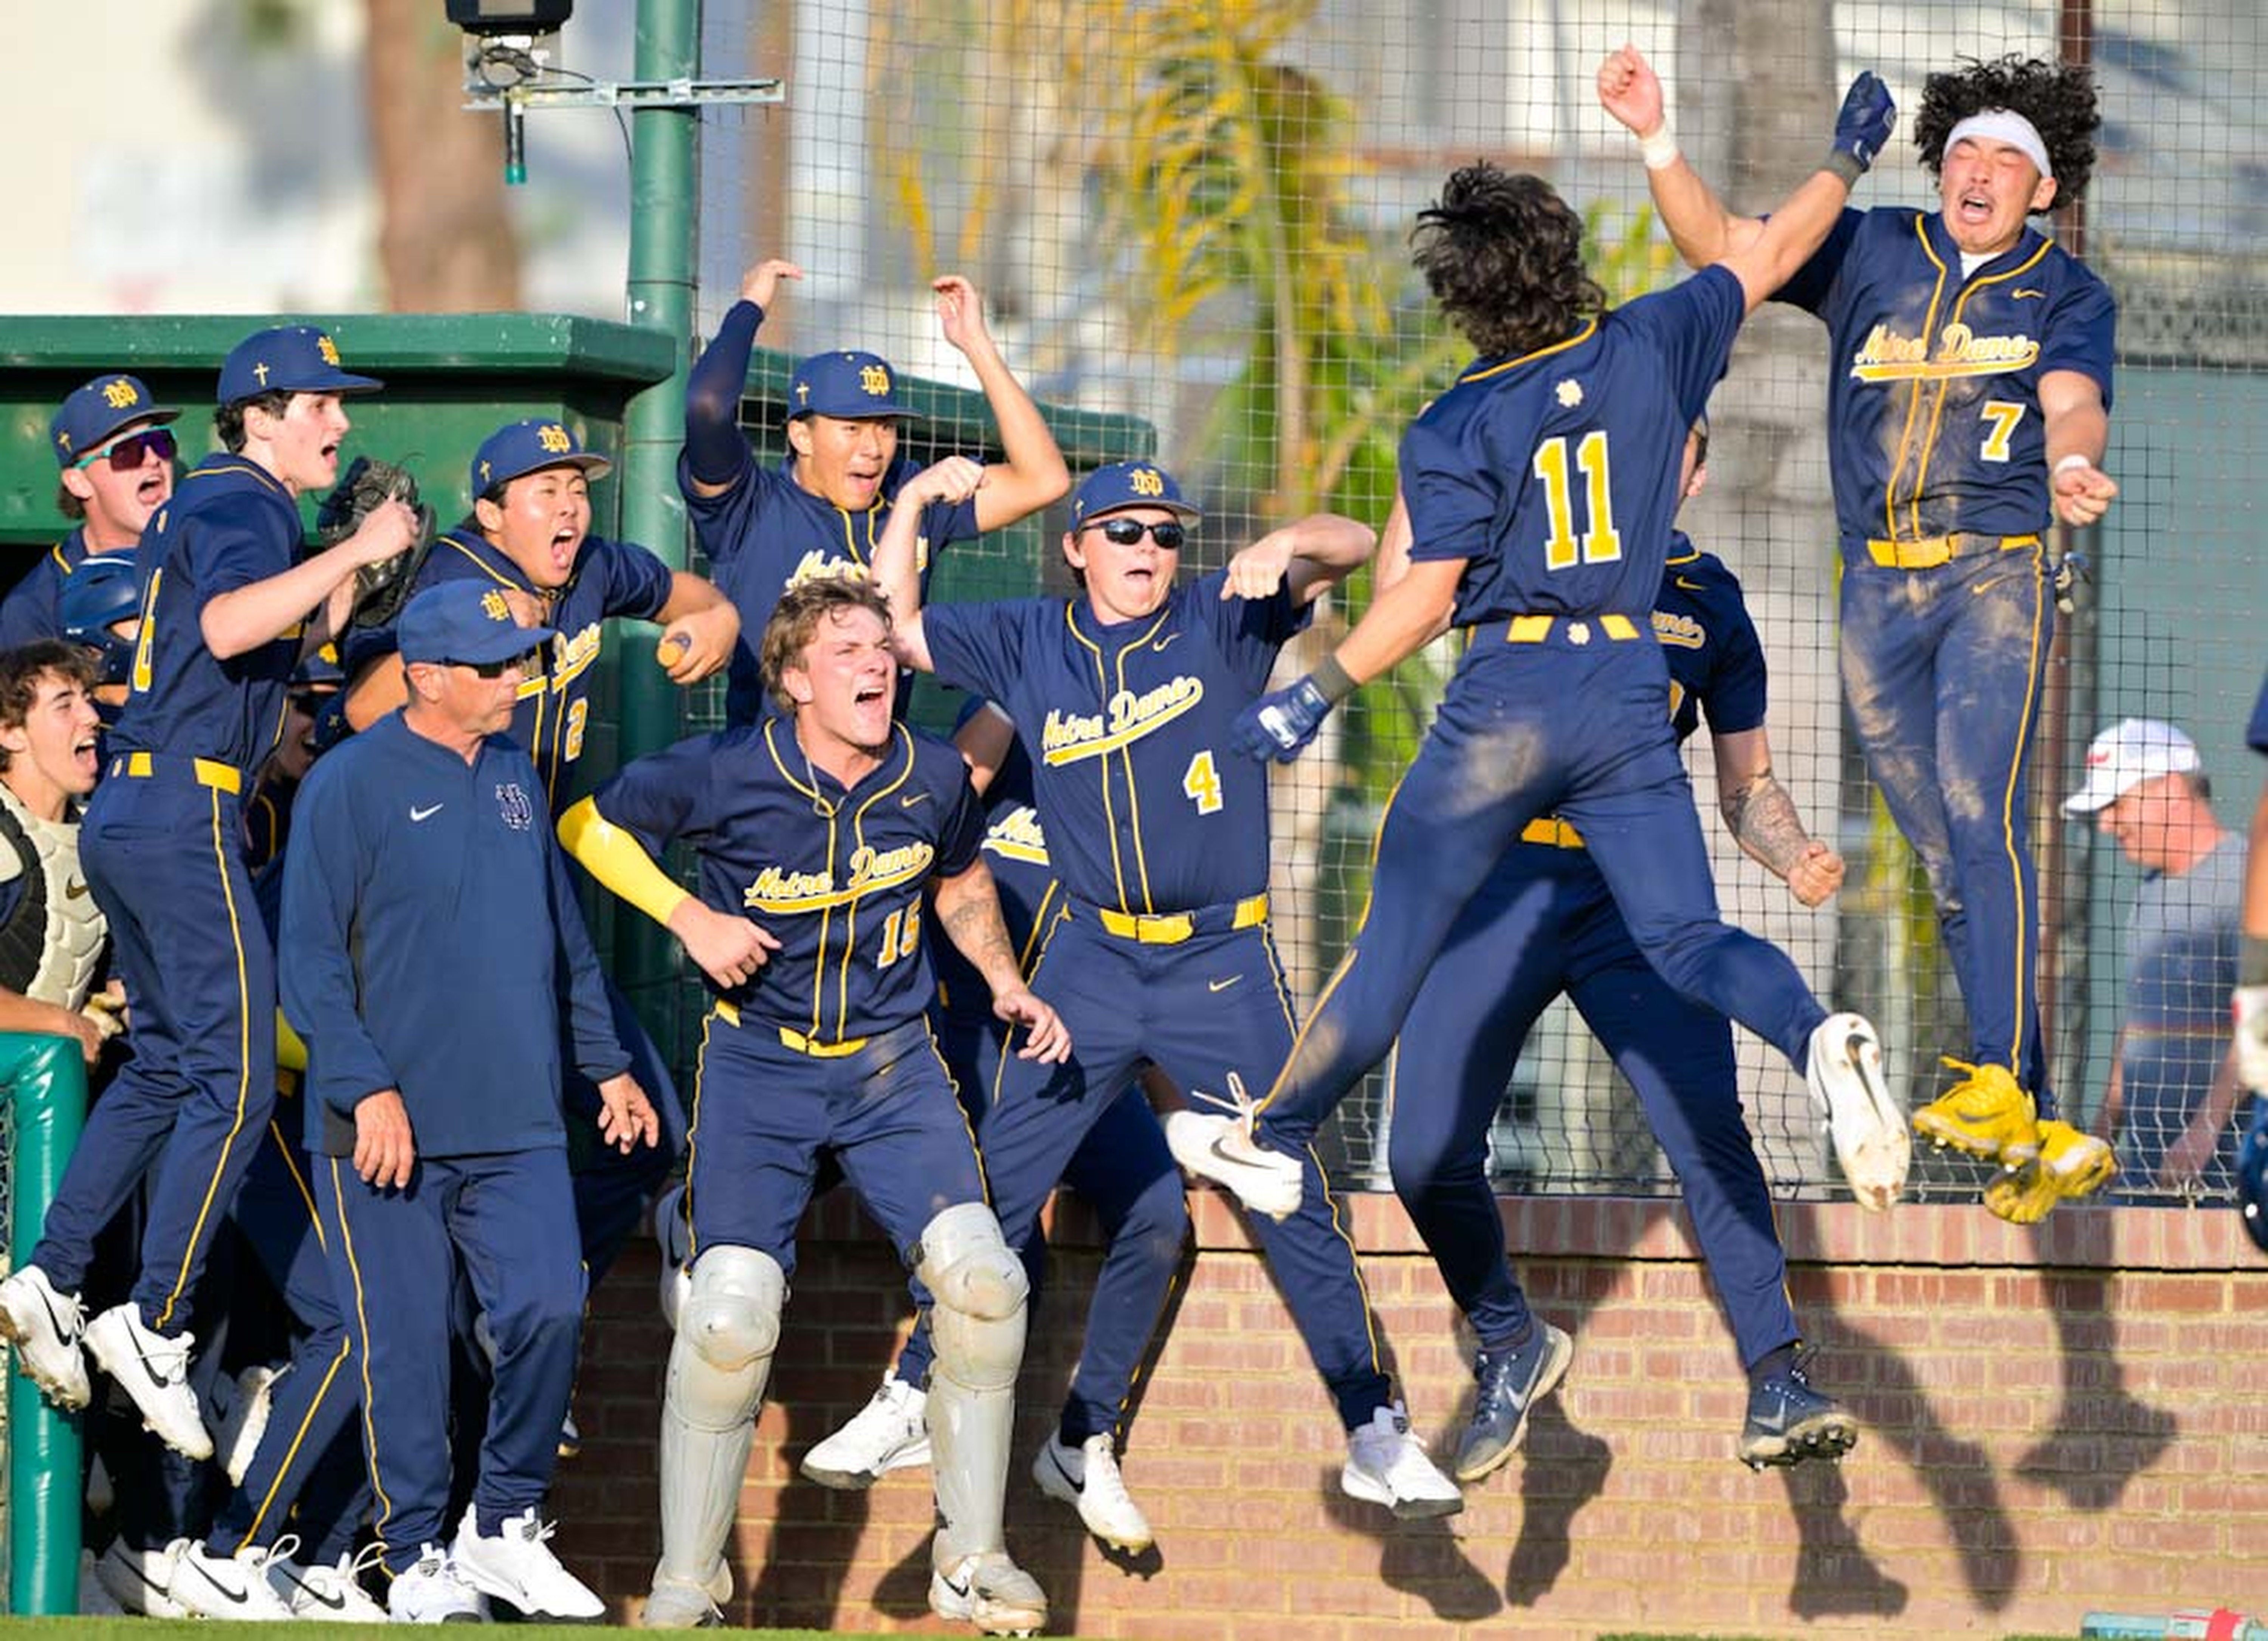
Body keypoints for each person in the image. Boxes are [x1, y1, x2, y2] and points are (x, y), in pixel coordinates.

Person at [1175, 98, 1907, 1243]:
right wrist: (1845, 154)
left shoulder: (1454, 419)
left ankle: (1269, 1140)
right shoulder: (1652, 339)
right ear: (1562, 260)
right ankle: (1815, 1034)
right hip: (1623, 686)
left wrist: (1311, 694)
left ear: (1462, 299)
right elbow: (1765, 249)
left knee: (1395, 941)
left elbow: (1420, 595)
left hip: (1508, 697)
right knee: (1683, 938)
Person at [871, 457, 1466, 1522]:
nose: (1150, 550)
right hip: (1092, 963)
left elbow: (1360, 543)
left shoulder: (1221, 615)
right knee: (1001, 1177)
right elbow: (898, 629)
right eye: (1127, 532)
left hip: (1219, 965)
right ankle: (914, 1385)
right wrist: (914, 505)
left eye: (1164, 532)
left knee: (1287, 1190)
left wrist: (1290, 544)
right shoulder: (1027, 638)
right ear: (1078, 546)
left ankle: (1373, 1424)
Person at [1599, 45, 2120, 1222]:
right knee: (1943, 852)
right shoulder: (1874, 245)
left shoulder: (2064, 290)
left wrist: (2076, 460)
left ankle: (1997, 1079)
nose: (1977, 171)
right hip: (1874, 594)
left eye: (2008, 159)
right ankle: (2025, 1118)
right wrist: (1653, 140)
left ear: (2043, 189)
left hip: (1993, 575)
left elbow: (2068, 396)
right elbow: (1726, 251)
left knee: (1977, 812)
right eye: (1965, 150)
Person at [558, 577, 1066, 1634]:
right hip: (761, 1066)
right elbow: (587, 824)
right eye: (844, 651)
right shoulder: (727, 770)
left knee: (985, 1284)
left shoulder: (930, 771)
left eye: (882, 645)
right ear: (793, 680)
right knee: (732, 1317)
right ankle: (690, 1581)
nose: (875, 664)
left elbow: (961, 878)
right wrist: (689, 913)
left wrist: (1005, 977)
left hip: (895, 1066)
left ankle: (970, 1558)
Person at [1377, 420, 1862, 1480]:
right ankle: (1508, 1338)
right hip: (1495, 887)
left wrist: (1792, 854)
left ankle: (1778, 1375)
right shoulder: (1518, 547)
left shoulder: (1711, 600)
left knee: (1708, 1129)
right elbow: (1399, 593)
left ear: (1693, 466)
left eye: (1672, 452)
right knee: (1422, 1153)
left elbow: (1746, 785)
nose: (1653, 467)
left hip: (1629, 898)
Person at [0, 325, 419, 1464]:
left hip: (140, 809)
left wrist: (345, 583)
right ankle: (158, 1318)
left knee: (174, 1066)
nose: (339, 422)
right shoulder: (240, 496)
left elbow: (236, 647)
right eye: (323, 404)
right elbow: (235, 622)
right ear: (266, 410)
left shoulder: (216, 506)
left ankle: (52, 1273)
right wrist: (357, 549)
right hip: (186, 809)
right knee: (233, 1082)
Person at [282, 581, 657, 1622]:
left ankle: (503, 1522)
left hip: (519, 1122)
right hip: (386, 1134)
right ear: (427, 675)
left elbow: (562, 941)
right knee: (401, 1347)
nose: (515, 680)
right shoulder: (347, 784)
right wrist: (367, 1090)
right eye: (493, 665)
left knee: (549, 1303)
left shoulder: (515, 781)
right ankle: (411, 1555)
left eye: (520, 659)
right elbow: (307, 962)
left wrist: (609, 1064)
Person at [801, 702, 1189, 1556]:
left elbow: (1162, 973)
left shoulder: (1142, 811)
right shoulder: (982, 771)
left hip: (1078, 1057)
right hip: (964, 1047)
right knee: (1008, 1257)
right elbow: (946, 797)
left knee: (1161, 1212)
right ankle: (923, 1431)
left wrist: (1183, 1121)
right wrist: (1021, 695)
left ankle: (1083, 1441)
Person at [679, 260, 1069, 725]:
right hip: (771, 772)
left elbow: (1045, 480)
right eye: (851, 428)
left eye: (885, 427)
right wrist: (750, 308)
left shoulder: (912, 493)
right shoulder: (750, 505)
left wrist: (976, 345)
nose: (873, 448)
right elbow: (707, 405)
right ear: (802, 437)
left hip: (879, 769)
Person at [2061, 720, 2248, 1198]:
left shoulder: (2245, 882)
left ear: (2169, 790)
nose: (2105, 824)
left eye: (2116, 804)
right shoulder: (2151, 889)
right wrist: (2104, 1130)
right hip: (2149, 1177)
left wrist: (2204, 1132)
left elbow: (2263, 1020)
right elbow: (2141, 1021)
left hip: (2227, 1182)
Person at [0, 374, 179, 649]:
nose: (153, 459)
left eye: (160, 442)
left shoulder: (206, 557)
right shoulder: (36, 610)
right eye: (127, 451)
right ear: (79, 482)